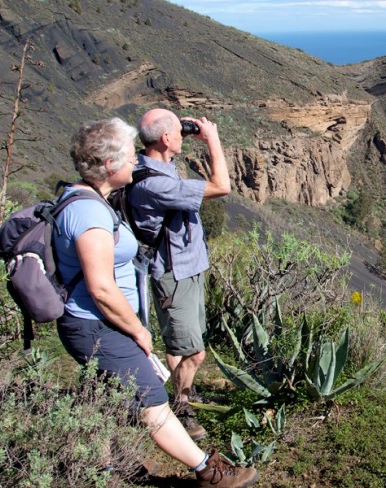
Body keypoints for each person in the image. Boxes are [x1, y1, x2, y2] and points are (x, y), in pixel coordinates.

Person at [55, 118, 257, 487]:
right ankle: (209, 473)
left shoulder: (92, 200)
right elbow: (101, 288)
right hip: (99, 323)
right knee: (152, 403)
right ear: (111, 165)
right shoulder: (89, 212)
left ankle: (109, 465)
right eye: (131, 157)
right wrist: (137, 331)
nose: (137, 162)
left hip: (103, 322)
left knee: (114, 396)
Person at [128, 108, 231, 440]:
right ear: (166, 138)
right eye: (178, 130)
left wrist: (180, 137)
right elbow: (222, 186)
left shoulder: (156, 167)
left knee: (180, 343)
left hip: (189, 267)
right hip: (174, 274)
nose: (183, 133)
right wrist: (212, 139)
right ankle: (182, 406)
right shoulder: (155, 183)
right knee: (194, 352)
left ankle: (184, 391)